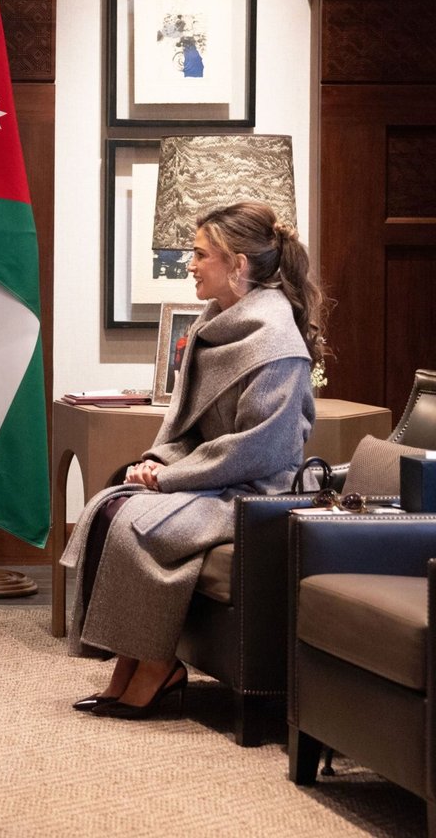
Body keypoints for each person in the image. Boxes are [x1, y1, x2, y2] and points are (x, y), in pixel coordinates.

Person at [61, 201, 326, 718]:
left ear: (238, 264)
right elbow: (187, 423)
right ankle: (129, 662)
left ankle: (158, 666)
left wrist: (172, 478)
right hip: (214, 479)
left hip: (256, 493)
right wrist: (156, 463)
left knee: (140, 525)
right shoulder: (214, 324)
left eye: (200, 254)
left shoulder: (277, 343)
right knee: (113, 506)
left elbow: (259, 449)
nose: (190, 264)